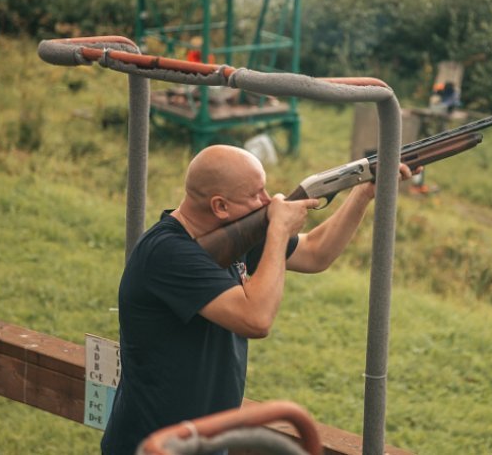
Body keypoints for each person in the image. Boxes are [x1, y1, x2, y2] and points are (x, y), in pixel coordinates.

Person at [101, 144, 415, 454]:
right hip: (152, 445)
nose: (270, 200)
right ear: (220, 206)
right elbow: (256, 319)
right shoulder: (167, 254)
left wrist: (363, 193)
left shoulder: (226, 234)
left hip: (205, 440)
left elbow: (317, 253)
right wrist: (278, 232)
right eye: (257, 194)